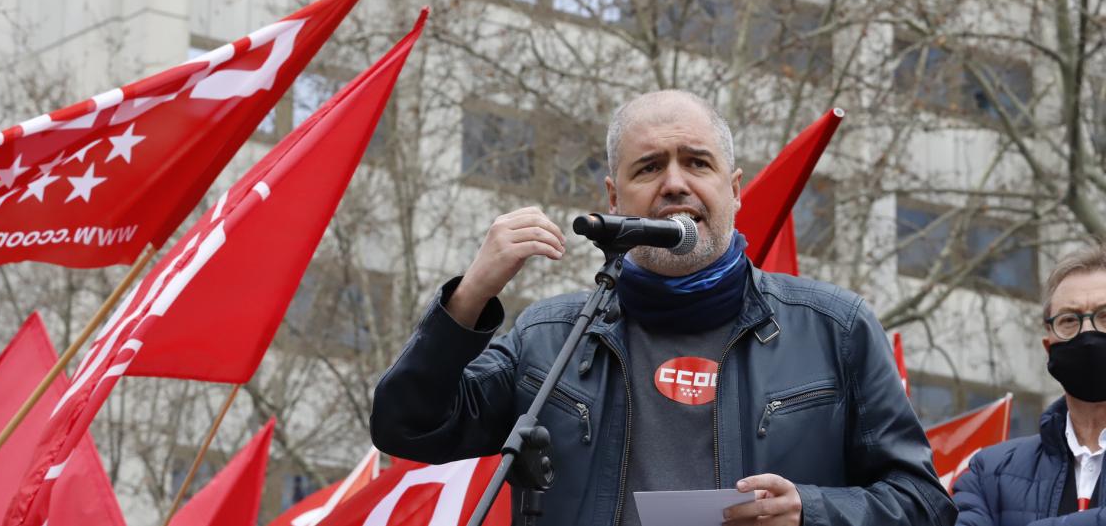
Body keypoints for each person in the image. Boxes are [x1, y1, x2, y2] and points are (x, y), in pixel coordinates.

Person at [370, 90, 955, 526]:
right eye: (649, 167)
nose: (674, 184)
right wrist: (470, 295)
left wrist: (813, 511)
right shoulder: (550, 337)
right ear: (613, 198)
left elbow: (925, 503)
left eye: (697, 163)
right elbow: (409, 427)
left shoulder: (836, 328)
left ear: (735, 188)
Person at [954, 244, 1106, 526]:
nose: (1087, 332)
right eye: (1069, 320)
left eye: (1105, 316)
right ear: (1048, 348)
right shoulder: (990, 472)